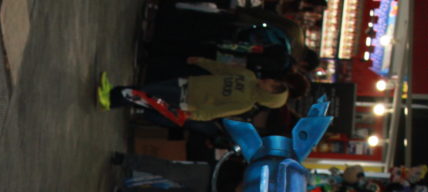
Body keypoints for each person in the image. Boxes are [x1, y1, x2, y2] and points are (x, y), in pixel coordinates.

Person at [98, 58, 288, 122]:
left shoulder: (245, 103)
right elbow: (222, 69)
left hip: (187, 100)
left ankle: (112, 99)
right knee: (148, 89)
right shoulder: (249, 76)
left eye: (272, 87)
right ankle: (114, 92)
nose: (269, 82)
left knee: (148, 96)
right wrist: (202, 62)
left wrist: (194, 115)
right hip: (189, 83)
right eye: (274, 82)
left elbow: (217, 112)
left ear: (268, 97)